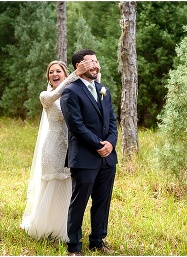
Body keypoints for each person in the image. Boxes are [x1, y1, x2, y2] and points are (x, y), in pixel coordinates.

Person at [20, 60, 92, 242]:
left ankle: (65, 230)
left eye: (58, 71)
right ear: (48, 77)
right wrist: (75, 75)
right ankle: (43, 227)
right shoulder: (46, 95)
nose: (54, 74)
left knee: (68, 186)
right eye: (51, 72)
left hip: (71, 148)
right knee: (52, 184)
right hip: (53, 148)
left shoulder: (73, 95)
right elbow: (55, 96)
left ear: (64, 73)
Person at [59, 49, 118, 256]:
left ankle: (97, 241)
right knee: (79, 203)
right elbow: (76, 125)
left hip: (108, 158)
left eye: (96, 61)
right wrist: (98, 145)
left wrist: (110, 143)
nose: (95, 65)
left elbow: (112, 121)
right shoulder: (70, 92)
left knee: (102, 201)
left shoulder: (104, 90)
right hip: (84, 157)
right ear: (79, 66)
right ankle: (74, 247)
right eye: (90, 62)